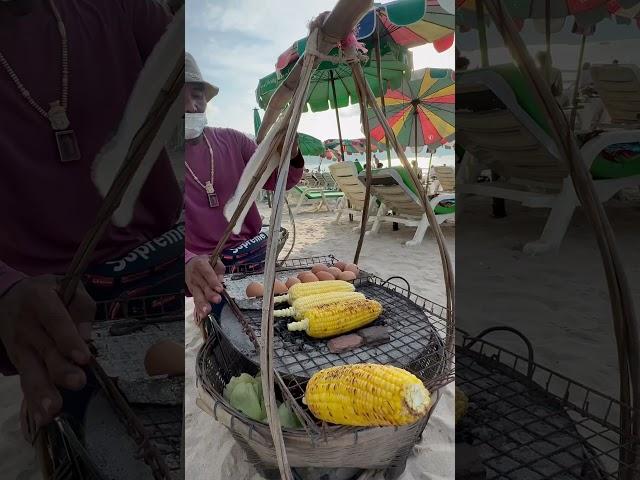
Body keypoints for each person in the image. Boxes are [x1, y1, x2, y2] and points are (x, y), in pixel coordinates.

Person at [0, 0, 183, 432]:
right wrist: (4, 290)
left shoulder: (118, 8)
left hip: (158, 263)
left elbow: (186, 74)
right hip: (46, 304)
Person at [183, 53, 304, 320]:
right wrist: (187, 260)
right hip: (208, 269)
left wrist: (291, 154)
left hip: (253, 254)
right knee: (220, 325)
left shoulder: (233, 140)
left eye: (197, 95)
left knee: (270, 320)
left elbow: (280, 181)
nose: (191, 106)